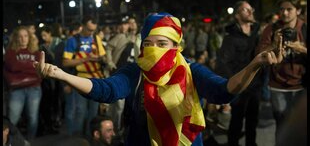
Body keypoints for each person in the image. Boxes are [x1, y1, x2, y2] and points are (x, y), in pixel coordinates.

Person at [34, 12, 284, 146]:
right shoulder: (135, 72)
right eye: (148, 43)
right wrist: (63, 74)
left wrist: (255, 64)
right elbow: (106, 89)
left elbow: (223, 90)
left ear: (177, 46)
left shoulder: (192, 70)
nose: (154, 49)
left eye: (162, 43)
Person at [256, 0, 307, 141]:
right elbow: (259, 54)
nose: (284, 13)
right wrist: (274, 44)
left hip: (302, 86)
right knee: (282, 125)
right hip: (277, 85)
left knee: (301, 127)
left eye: (289, 9)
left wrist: (302, 49)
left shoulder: (305, 29)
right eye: (282, 9)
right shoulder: (271, 29)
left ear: (298, 11)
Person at [215, 1, 263, 146]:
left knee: (252, 120)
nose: (250, 12)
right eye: (245, 10)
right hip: (239, 87)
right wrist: (233, 85)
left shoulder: (258, 33)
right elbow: (223, 64)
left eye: (251, 9)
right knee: (236, 120)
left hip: (255, 85)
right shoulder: (230, 38)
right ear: (237, 16)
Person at [62, 15, 106, 136]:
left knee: (93, 112)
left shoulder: (96, 39)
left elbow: (103, 57)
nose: (91, 32)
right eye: (89, 29)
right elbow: (65, 62)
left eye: (94, 30)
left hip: (96, 80)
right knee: (80, 111)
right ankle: (78, 139)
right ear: (82, 26)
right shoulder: (73, 40)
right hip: (80, 79)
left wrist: (99, 59)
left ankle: (90, 138)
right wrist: (86, 59)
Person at [4, 26, 42, 140]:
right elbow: (13, 66)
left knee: (33, 118)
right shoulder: (10, 52)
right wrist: (30, 68)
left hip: (34, 88)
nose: (23, 39)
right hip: (17, 89)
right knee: (13, 119)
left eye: (25, 36)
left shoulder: (36, 52)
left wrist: (21, 69)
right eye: (20, 36)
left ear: (29, 37)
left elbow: (39, 70)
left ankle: (29, 142)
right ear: (16, 38)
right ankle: (10, 142)